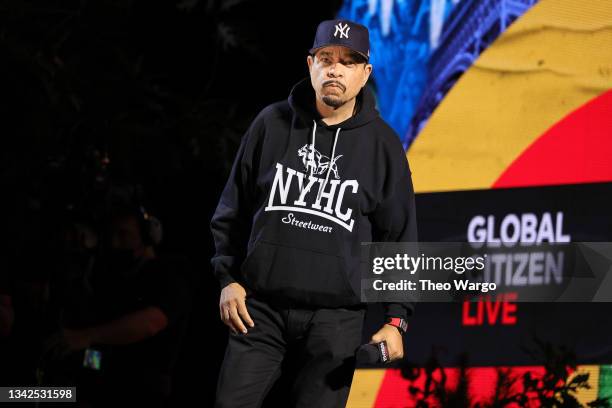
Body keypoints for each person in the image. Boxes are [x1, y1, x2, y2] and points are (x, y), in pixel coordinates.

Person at [210, 19, 417, 408]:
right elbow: (232, 208)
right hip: (260, 313)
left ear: (365, 73)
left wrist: (396, 321)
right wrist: (228, 278)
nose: (335, 68)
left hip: (335, 322)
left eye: (349, 61)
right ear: (310, 65)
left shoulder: (384, 146)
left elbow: (399, 239)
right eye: (326, 57)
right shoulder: (270, 124)